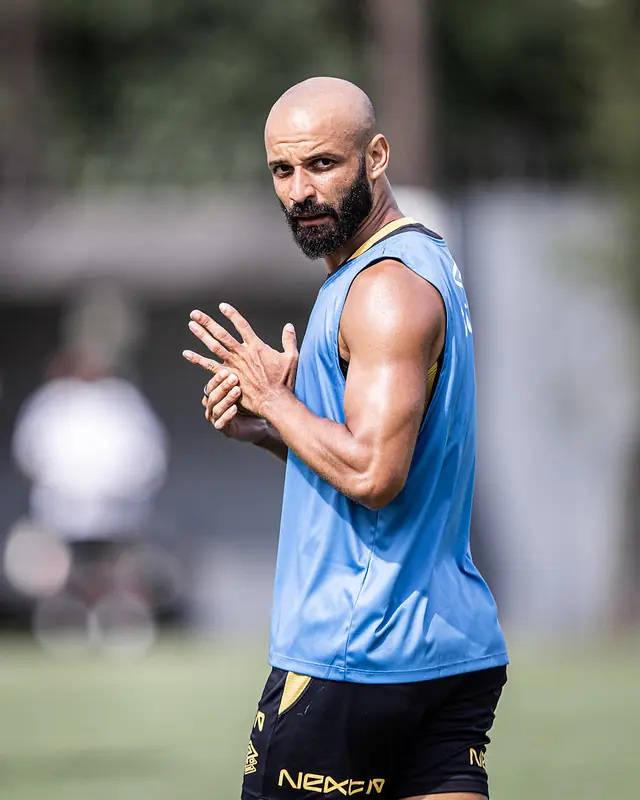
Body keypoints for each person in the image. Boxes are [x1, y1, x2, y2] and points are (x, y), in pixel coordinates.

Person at [183, 77, 508, 800]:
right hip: (448, 649)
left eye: (323, 164)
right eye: (282, 170)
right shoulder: (414, 266)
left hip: (357, 652)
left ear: (377, 156)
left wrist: (276, 398)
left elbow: (373, 473)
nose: (301, 191)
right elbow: (387, 458)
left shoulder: (383, 288)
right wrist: (274, 427)